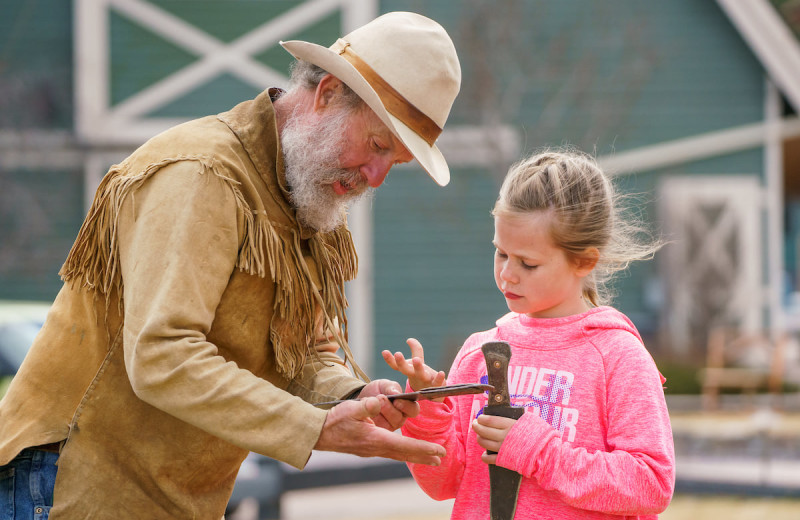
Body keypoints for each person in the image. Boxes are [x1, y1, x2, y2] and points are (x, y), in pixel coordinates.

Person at [0, 11, 461, 519]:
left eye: (393, 163)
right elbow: (162, 356)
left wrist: (356, 397)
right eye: (377, 146)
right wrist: (316, 429)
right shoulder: (200, 175)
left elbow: (304, 352)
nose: (375, 178)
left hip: (160, 498)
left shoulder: (305, 193)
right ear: (327, 93)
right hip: (66, 483)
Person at [384, 149, 676, 519]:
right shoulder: (480, 351)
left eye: (528, 263)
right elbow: (443, 483)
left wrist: (538, 450)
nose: (507, 274)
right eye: (501, 254)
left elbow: (650, 484)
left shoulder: (618, 355)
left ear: (585, 260)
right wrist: (426, 412)